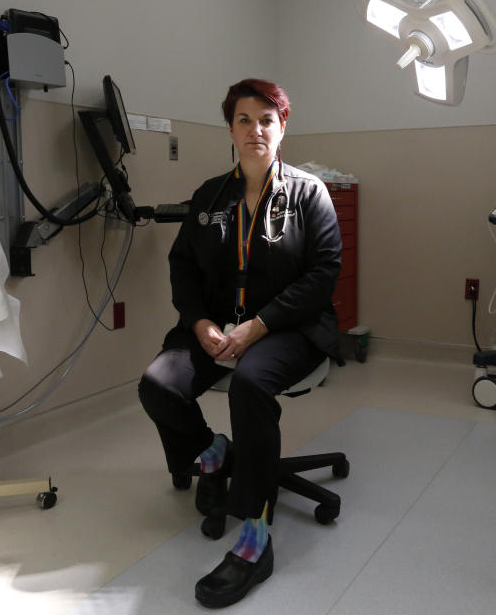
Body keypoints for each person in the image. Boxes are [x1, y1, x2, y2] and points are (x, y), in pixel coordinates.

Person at [138, 78, 342, 608]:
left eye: (266, 120)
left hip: (290, 328)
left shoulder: (308, 192)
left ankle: (255, 537)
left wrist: (259, 326)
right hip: (215, 325)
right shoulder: (210, 195)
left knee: (250, 385)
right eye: (244, 120)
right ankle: (213, 454)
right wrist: (201, 321)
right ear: (230, 129)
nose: (256, 130)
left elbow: (322, 275)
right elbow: (182, 266)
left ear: (282, 127)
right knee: (158, 384)